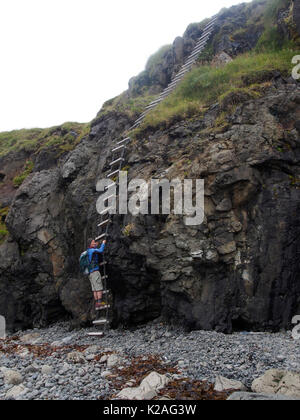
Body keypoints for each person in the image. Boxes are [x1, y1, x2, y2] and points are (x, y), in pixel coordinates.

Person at [86, 238, 107, 310]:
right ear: (90, 244)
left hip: (90, 273)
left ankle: (97, 303)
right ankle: (100, 303)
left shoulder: (88, 251)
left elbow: (94, 250)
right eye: (93, 242)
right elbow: (100, 250)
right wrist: (103, 243)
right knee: (99, 288)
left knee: (94, 289)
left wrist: (96, 245)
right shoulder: (92, 250)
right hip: (95, 272)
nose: (94, 243)